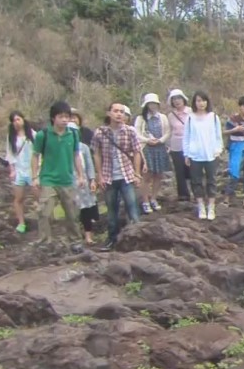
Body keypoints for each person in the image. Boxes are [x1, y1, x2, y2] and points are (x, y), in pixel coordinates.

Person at [31, 100, 86, 250]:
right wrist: (35, 177)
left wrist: (80, 175)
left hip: (67, 179)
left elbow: (76, 155)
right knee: (45, 212)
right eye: (61, 116)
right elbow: (35, 155)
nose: (64, 120)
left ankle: (75, 241)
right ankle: (44, 241)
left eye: (67, 116)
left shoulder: (73, 134)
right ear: (53, 118)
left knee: (72, 213)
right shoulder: (43, 135)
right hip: (48, 179)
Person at [91, 103, 143, 251]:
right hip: (108, 176)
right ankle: (111, 239)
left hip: (126, 175)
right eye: (116, 111)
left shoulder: (130, 131)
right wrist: (99, 175)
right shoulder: (100, 132)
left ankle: (136, 239)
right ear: (109, 113)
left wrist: (137, 173)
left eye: (122, 112)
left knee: (132, 208)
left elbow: (137, 151)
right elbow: (96, 154)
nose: (119, 114)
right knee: (111, 210)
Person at [183, 91, 223, 220]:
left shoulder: (213, 117)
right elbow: (186, 137)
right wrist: (187, 154)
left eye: (203, 100)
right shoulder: (190, 118)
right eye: (198, 100)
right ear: (195, 103)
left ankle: (211, 206)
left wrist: (218, 150)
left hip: (211, 153)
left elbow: (218, 135)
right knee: (196, 181)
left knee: (212, 180)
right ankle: (201, 206)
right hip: (195, 154)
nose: (201, 103)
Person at [133, 93, 171, 213]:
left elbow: (168, 132)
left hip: (160, 148)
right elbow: (137, 133)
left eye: (154, 103)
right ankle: (145, 201)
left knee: (159, 175)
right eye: (150, 103)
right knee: (147, 176)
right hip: (147, 149)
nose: (152, 106)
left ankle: (154, 198)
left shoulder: (162, 117)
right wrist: (148, 140)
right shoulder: (141, 118)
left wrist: (160, 140)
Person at [5, 110, 36, 234]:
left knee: (39, 196)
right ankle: (21, 222)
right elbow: (10, 154)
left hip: (32, 170)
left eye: (18, 119)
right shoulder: (11, 137)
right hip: (19, 170)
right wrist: (12, 170)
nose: (16, 122)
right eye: (14, 120)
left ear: (23, 120)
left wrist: (37, 170)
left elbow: (38, 152)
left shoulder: (32, 134)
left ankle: (46, 220)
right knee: (19, 198)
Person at [166, 89, 193, 201]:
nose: (177, 101)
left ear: (183, 99)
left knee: (192, 169)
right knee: (179, 171)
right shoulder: (171, 116)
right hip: (176, 145)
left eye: (179, 98)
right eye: (174, 99)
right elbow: (169, 131)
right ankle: (183, 195)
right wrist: (167, 145)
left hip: (190, 145)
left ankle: (196, 193)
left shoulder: (191, 112)